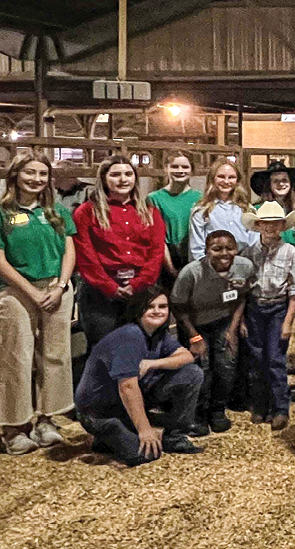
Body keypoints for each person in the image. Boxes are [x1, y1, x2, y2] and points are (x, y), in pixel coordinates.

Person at [73, 288, 204, 466]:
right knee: (145, 455)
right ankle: (106, 434)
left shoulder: (157, 334)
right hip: (100, 410)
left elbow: (187, 356)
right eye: (150, 307)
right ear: (138, 310)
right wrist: (145, 430)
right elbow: (126, 386)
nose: (157, 311)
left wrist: (152, 363)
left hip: (126, 399)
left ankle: (174, 437)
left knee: (192, 373)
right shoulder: (130, 335)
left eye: (163, 306)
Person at [0, 153, 77, 453]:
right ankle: (13, 425)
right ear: (16, 175)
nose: (36, 179)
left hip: (56, 289)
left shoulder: (56, 211)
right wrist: (30, 292)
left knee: (56, 355)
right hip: (16, 291)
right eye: (30, 173)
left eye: (42, 174)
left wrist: (60, 286)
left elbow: (69, 250)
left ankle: (48, 418)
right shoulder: (4, 212)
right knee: (15, 357)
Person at [74, 155, 166, 349]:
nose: (123, 179)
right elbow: (86, 255)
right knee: (104, 349)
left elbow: (156, 252)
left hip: (141, 290)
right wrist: (109, 286)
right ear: (104, 179)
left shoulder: (149, 212)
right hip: (100, 294)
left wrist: (137, 284)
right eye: (115, 174)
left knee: (142, 347)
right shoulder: (87, 212)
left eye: (128, 174)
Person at [171, 230, 255, 436]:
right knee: (202, 368)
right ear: (207, 250)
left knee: (226, 366)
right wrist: (194, 336)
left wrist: (233, 330)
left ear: (236, 249)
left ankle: (217, 411)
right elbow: (177, 306)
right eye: (217, 249)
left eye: (229, 248)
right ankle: (198, 414)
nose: (224, 253)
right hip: (195, 324)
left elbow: (242, 297)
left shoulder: (244, 267)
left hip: (224, 320)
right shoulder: (191, 273)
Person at [238, 202, 295, 431]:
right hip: (255, 307)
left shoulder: (291, 252)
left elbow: (294, 290)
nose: (271, 228)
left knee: (275, 358)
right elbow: (243, 288)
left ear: (282, 226)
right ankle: (260, 405)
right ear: (258, 225)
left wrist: (288, 321)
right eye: (266, 223)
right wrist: (243, 318)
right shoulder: (249, 253)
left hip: (277, 308)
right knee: (256, 357)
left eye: (275, 223)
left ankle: (280, 407)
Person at [188, 158, 258, 261]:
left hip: (243, 264)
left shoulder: (247, 209)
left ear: (237, 180)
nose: (226, 181)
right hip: (212, 266)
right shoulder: (202, 211)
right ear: (212, 179)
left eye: (231, 177)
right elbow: (197, 250)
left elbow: (254, 243)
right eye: (221, 177)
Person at [148, 152, 201, 279]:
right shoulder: (154, 198)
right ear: (166, 168)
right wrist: (171, 268)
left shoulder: (200, 197)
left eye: (185, 167)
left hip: (194, 255)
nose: (180, 170)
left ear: (192, 170)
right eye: (174, 166)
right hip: (166, 257)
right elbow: (156, 236)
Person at [247, 160, 295, 246]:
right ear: (269, 184)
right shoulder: (258, 210)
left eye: (284, 180)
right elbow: (254, 242)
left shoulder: (292, 210)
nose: (281, 184)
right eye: (276, 181)